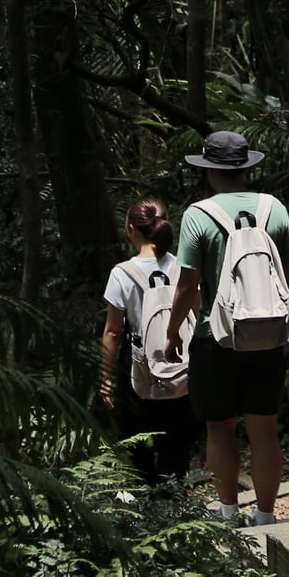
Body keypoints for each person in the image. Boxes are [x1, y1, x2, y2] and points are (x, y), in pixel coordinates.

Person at [160, 130, 289, 526]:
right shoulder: (276, 209)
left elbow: (187, 285)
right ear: (246, 167)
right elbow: (287, 279)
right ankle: (267, 516)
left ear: (208, 171)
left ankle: (229, 513)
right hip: (268, 336)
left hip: (214, 338)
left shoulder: (198, 216)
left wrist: (172, 334)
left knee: (219, 429)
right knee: (265, 430)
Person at [99, 197, 200, 488]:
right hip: (180, 356)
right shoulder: (183, 266)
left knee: (138, 440)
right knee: (177, 440)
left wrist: (105, 377)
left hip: (137, 364)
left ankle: (147, 507)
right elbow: (197, 309)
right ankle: (176, 504)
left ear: (131, 229)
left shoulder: (122, 273)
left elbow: (113, 331)